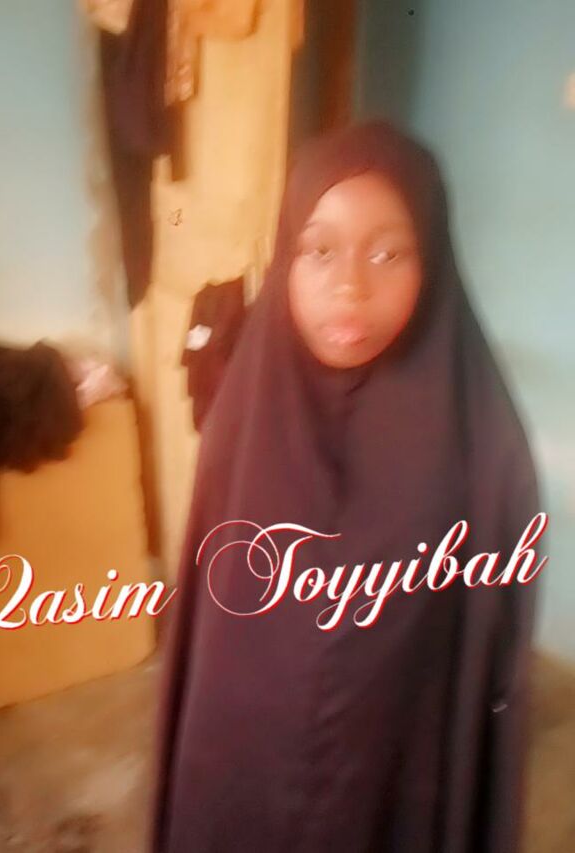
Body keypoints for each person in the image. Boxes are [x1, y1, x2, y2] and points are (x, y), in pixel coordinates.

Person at [148, 122, 542, 853]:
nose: (350, 287)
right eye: (320, 251)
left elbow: (486, 665)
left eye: (387, 252)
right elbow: (208, 636)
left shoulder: (484, 448)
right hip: (244, 766)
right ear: (286, 259)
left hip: (397, 773)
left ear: (433, 260)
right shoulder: (242, 424)